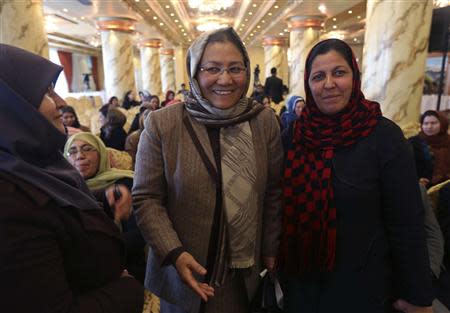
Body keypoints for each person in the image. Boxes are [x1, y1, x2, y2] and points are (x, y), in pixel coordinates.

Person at [132, 27, 283, 313]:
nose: (225, 79)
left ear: (247, 71)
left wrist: (270, 250)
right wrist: (174, 253)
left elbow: (274, 192)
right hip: (186, 274)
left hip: (244, 277)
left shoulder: (264, 122)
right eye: (212, 68)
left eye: (235, 68)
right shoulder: (163, 124)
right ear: (194, 72)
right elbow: (146, 198)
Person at [279, 39, 433, 313]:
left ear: (355, 76)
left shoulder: (383, 136)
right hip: (303, 288)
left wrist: (417, 295)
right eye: (318, 76)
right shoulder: (295, 135)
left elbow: (407, 223)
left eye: (339, 72)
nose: (328, 84)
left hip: (364, 289)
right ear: (307, 83)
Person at [0, 44, 143, 312]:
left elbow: (55, 206)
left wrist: (100, 198)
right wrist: (128, 290)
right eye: (46, 92)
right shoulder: (8, 203)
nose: (62, 103)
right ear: (12, 108)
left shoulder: (37, 164)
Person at [64, 132, 146, 283]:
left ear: (101, 154)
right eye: (72, 151)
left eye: (88, 149)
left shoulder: (123, 184)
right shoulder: (65, 190)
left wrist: (94, 254)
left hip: (123, 266)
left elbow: (138, 236)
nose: (80, 156)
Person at [410, 110, 450, 187]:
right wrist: (417, 179)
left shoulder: (448, 141)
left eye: (433, 123)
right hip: (422, 185)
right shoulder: (413, 142)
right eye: (426, 123)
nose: (429, 126)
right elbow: (406, 165)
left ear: (442, 124)